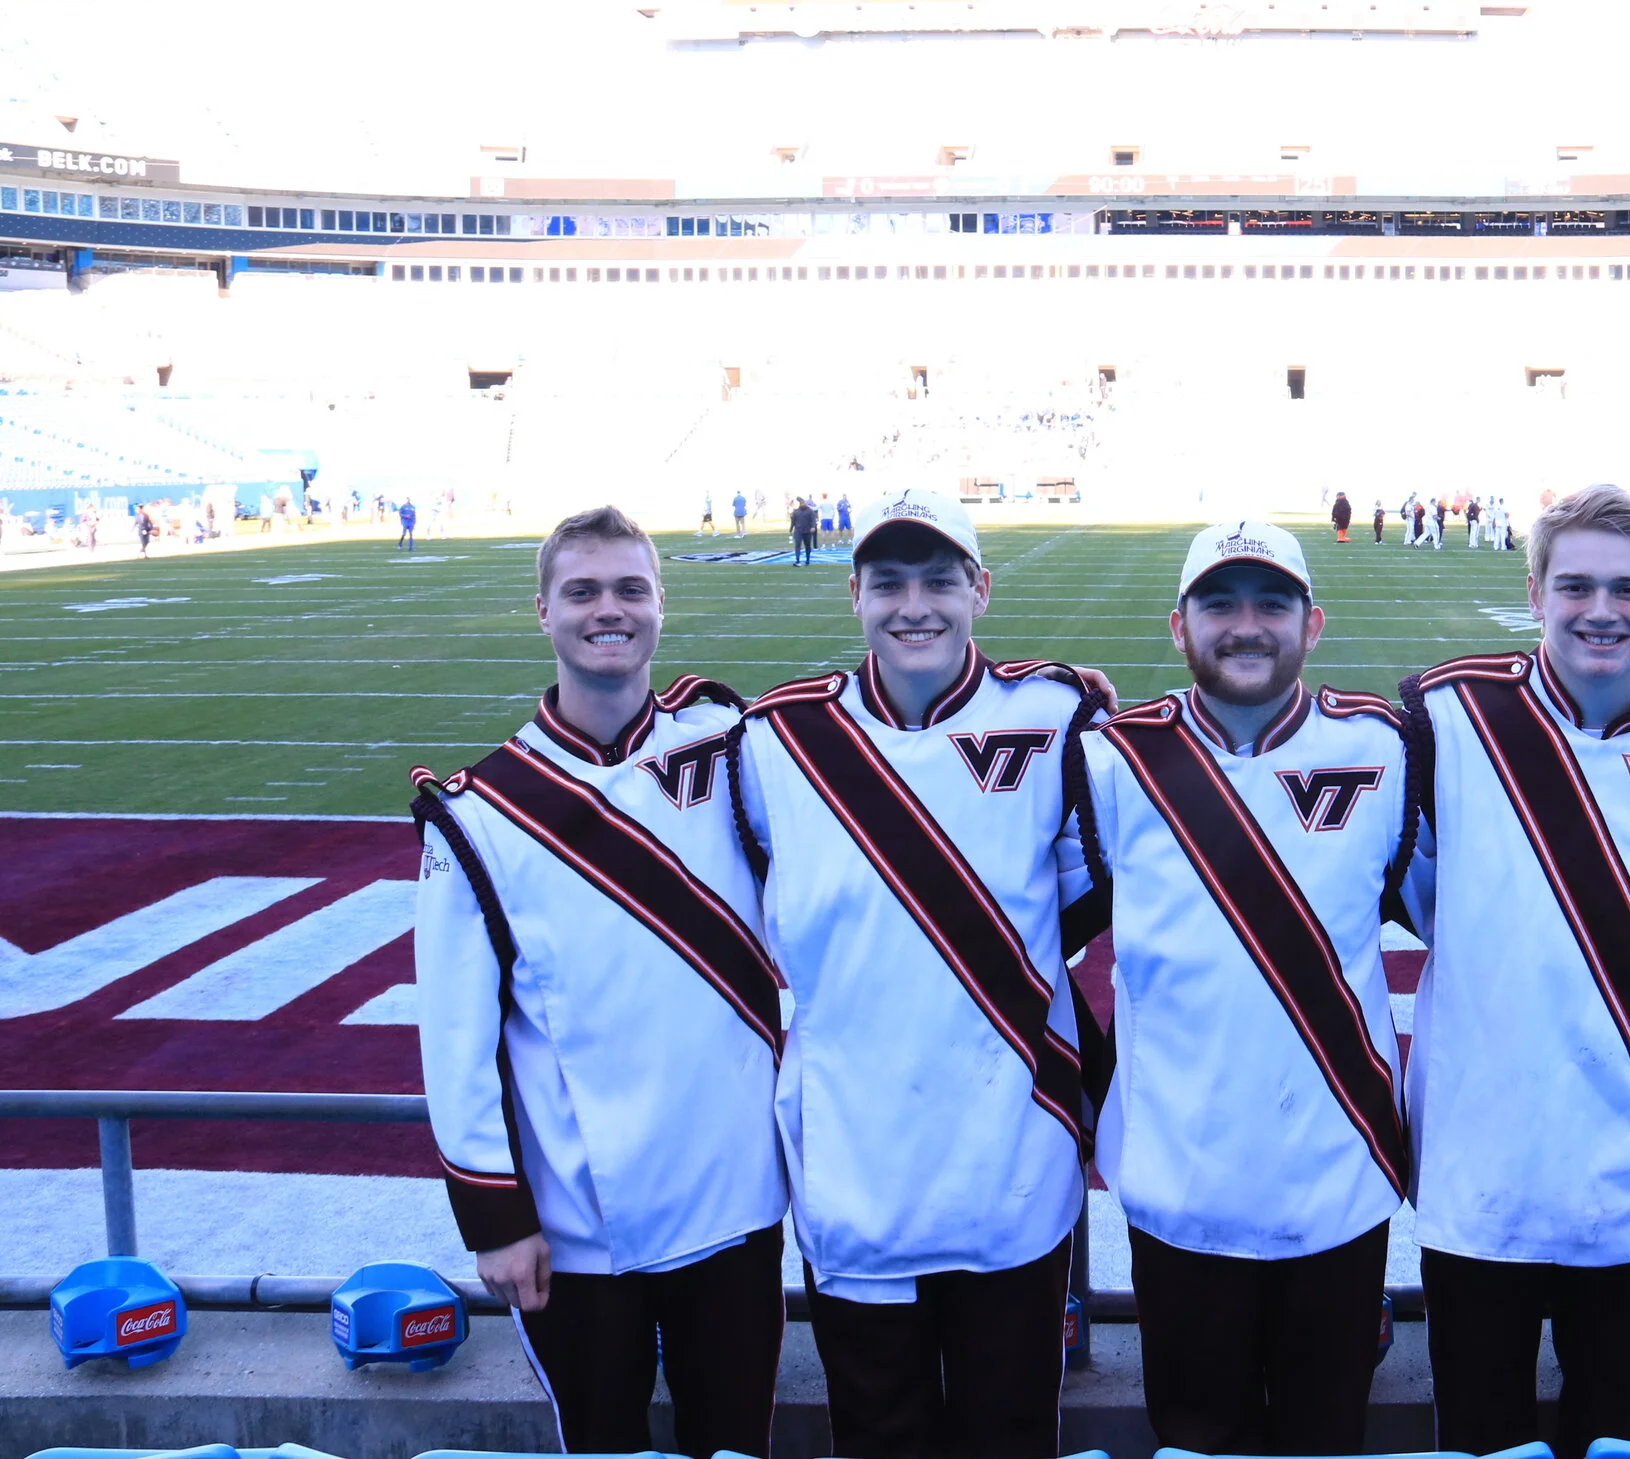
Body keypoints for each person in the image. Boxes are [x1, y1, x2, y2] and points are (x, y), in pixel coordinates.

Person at [410, 506, 786, 1459]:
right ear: (542, 610)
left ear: (661, 606)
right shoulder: (479, 811)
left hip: (735, 1197)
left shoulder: (735, 747)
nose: (606, 610)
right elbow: (457, 1044)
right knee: (601, 1443)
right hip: (577, 1225)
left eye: (630, 588)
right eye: (582, 590)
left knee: (736, 1440)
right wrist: (495, 1219)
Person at [736, 488, 1104, 1459]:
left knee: (1009, 1434)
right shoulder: (774, 741)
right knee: (879, 1434)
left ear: (979, 589)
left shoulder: (1056, 713)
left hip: (1010, 1165)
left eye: (940, 579)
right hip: (856, 1169)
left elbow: (1091, 884)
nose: (915, 604)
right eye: (889, 581)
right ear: (852, 593)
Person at [1398, 484, 1630, 1459]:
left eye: (1628, 588)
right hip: (1480, 1167)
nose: (1602, 609)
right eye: (1576, 585)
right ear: (1534, 592)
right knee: (1479, 1436)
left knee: (1613, 1437)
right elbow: (1395, 887)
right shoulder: (1442, 710)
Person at [1071, 522, 1419, 1455]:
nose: (1247, 625)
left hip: (1337, 1186)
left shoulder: (1385, 751)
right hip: (1181, 1190)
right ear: (1178, 626)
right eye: (1219, 603)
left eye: (1272, 602)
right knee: (1196, 1440)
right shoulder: (1111, 763)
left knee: (1323, 1437)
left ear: (1314, 623)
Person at [790, 496, 817, 567]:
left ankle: (807, 560)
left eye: (803, 503)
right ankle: (797, 560)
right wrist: (790, 530)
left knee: (807, 545)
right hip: (798, 531)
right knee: (797, 545)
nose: (802, 504)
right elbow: (793, 522)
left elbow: (813, 520)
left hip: (807, 531)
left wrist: (813, 527)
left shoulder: (810, 511)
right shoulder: (796, 512)